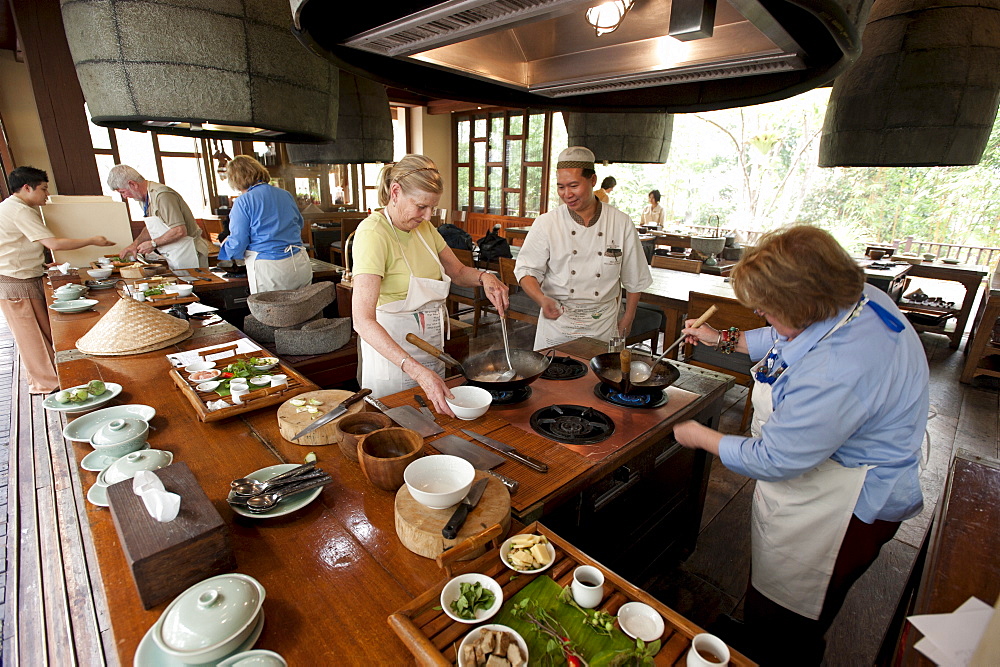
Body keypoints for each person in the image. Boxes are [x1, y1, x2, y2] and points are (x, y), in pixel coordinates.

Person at [673, 225, 929, 665]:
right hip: (826, 480)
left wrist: (700, 435)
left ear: (802, 303)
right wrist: (725, 339)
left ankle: (775, 651)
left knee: (796, 617)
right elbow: (790, 333)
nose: (765, 318)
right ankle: (755, 635)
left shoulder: (838, 368)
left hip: (847, 504)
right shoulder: (850, 298)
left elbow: (776, 458)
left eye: (767, 311)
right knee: (773, 593)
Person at [351, 155, 509, 414]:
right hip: (394, 359)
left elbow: (457, 271)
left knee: (432, 425)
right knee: (400, 428)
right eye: (421, 206)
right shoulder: (373, 234)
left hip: (430, 348)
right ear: (395, 192)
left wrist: (485, 278)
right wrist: (416, 370)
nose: (427, 216)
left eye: (432, 208)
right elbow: (362, 320)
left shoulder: (424, 229)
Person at [514, 147, 651, 350]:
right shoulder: (546, 223)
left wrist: (628, 319)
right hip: (558, 321)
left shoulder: (620, 222)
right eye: (561, 187)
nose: (567, 194)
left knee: (600, 378)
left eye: (573, 186)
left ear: (593, 180)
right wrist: (541, 299)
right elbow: (526, 271)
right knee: (552, 378)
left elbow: (635, 279)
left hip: (602, 323)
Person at [0, 167, 114, 393]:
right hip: (16, 281)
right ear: (26, 188)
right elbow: (53, 243)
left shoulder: (13, 207)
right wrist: (92, 240)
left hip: (22, 276)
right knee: (31, 336)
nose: (46, 194)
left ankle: (55, 380)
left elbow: (15, 246)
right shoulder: (19, 210)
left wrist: (42, 265)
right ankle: (49, 385)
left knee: (41, 331)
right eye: (43, 189)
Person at [217, 156, 311, 294]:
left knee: (272, 313)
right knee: (304, 310)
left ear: (235, 179)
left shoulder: (243, 201)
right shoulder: (285, 195)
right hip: (299, 261)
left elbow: (238, 241)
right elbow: (299, 224)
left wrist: (226, 246)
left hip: (270, 268)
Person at [107, 164, 210, 270]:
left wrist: (153, 243)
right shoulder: (144, 199)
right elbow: (152, 228)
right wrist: (135, 244)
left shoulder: (162, 196)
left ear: (132, 184)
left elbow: (179, 230)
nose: (124, 196)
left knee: (193, 285)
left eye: (123, 192)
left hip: (189, 252)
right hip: (175, 253)